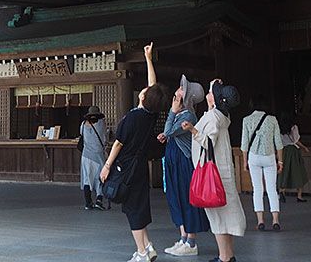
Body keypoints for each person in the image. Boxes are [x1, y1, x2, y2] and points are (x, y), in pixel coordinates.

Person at [100, 43, 167, 262]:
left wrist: (107, 165)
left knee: (131, 208)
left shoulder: (133, 118)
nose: (146, 89)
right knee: (138, 203)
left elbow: (118, 143)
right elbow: (153, 86)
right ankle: (148, 246)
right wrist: (148, 58)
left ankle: (141, 252)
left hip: (125, 166)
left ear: (143, 98)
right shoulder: (151, 115)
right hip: (139, 167)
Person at [181, 79, 246, 262]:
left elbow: (209, 142)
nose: (208, 94)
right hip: (224, 172)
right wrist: (215, 86)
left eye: (211, 92)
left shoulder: (212, 117)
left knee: (218, 218)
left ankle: (224, 257)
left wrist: (193, 130)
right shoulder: (222, 116)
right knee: (226, 216)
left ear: (215, 99)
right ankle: (228, 255)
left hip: (214, 174)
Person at [158, 76, 209, 256]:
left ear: (187, 96)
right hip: (174, 159)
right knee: (176, 197)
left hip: (183, 161)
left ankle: (191, 242)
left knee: (186, 198)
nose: (178, 89)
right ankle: (183, 238)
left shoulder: (187, 115)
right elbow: (169, 133)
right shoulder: (181, 113)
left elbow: (169, 131)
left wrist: (171, 113)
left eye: (182, 89)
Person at [240, 97, 283, 231]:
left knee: (257, 189)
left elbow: (244, 144)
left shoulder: (246, 120)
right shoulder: (272, 120)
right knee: (272, 188)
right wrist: (280, 161)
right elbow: (279, 143)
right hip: (269, 157)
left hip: (253, 157)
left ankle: (260, 221)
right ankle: (275, 220)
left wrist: (245, 161)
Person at [80, 105, 109, 210]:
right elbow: (105, 137)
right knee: (100, 177)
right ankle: (99, 200)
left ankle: (88, 203)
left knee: (87, 179)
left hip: (86, 156)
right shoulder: (101, 124)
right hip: (98, 155)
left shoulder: (83, 125)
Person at [277, 115, 309, 202]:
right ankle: (299, 196)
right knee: (298, 172)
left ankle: (282, 192)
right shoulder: (294, 127)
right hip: (293, 151)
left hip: (283, 151)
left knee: (284, 172)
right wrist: (304, 147)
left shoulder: (278, 128)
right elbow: (296, 140)